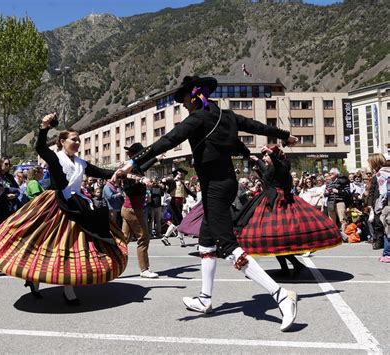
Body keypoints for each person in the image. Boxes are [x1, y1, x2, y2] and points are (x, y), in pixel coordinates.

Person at [113, 75, 300, 331]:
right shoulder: (229, 116)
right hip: (227, 183)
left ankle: (280, 296)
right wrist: (285, 136)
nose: (183, 105)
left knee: (228, 245)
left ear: (194, 95)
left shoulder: (198, 118)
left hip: (214, 187)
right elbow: (258, 127)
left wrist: (133, 163)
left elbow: (167, 141)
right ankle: (205, 298)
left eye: (184, 100)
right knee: (206, 243)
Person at [0, 113, 128, 304]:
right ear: (62, 141)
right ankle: (36, 279)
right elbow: (41, 147)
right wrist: (44, 128)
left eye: (79, 140)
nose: (77, 142)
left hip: (77, 206)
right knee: (44, 243)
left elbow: (102, 172)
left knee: (70, 245)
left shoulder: (81, 163)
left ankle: (67, 288)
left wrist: (121, 172)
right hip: (54, 205)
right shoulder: (55, 158)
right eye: (73, 139)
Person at [236, 145, 342, 278]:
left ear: (273, 156)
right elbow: (268, 174)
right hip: (270, 200)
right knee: (275, 240)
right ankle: (289, 267)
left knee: (277, 238)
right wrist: (257, 160)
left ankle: (294, 266)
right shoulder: (272, 167)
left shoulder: (283, 165)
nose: (264, 158)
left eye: (266, 155)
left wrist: (272, 155)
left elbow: (279, 169)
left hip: (280, 202)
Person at [121, 143, 159, 278]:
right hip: (132, 210)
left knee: (123, 239)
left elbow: (143, 167)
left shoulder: (135, 167)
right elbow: (128, 176)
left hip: (128, 209)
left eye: (130, 152)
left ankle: (109, 263)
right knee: (143, 238)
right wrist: (141, 179)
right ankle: (144, 270)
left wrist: (156, 158)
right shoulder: (129, 169)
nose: (128, 154)